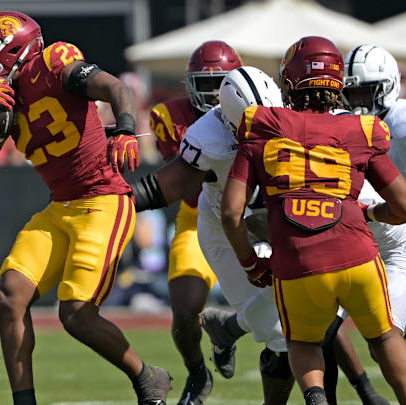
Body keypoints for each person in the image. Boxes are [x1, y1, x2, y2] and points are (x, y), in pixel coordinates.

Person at [0, 11, 171, 405]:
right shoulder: (2, 98)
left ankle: (147, 378)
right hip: (61, 207)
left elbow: (116, 87)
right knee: (8, 297)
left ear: (14, 49)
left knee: (76, 314)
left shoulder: (54, 63)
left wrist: (125, 129)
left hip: (103, 200)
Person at [220, 36, 406, 405]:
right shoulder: (362, 131)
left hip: (298, 262)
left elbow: (232, 211)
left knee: (302, 341)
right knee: (385, 337)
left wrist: (250, 262)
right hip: (357, 255)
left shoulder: (262, 124)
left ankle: (316, 398)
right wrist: (368, 212)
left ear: (289, 82)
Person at [130, 66, 295, 405]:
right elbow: (170, 185)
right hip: (224, 230)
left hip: (278, 220)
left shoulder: (291, 116)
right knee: (284, 333)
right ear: (229, 120)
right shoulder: (207, 134)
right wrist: (119, 200)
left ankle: (228, 328)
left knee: (320, 313)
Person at [147, 40, 241, 405]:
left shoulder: (258, 107)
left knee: (288, 302)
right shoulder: (168, 116)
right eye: (206, 84)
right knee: (185, 309)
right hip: (199, 215)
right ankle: (197, 371)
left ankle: (228, 331)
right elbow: (190, 177)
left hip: (251, 217)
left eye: (222, 84)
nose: (215, 94)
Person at [343, 44, 406, 398]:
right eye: (350, 92)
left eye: (363, 91)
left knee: (390, 337)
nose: (355, 100)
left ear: (386, 86)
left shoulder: (405, 120)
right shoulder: (368, 124)